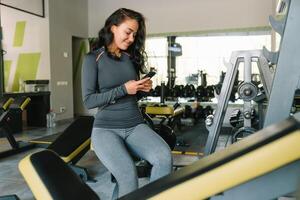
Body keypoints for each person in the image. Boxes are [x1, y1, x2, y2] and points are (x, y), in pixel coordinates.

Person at [81, 8, 173, 199]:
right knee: (127, 175)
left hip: (134, 124)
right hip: (106, 129)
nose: (132, 38)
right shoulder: (93, 59)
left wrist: (140, 89)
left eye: (135, 34)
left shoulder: (130, 59)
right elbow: (89, 101)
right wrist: (124, 89)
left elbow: (131, 95)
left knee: (164, 157)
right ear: (113, 28)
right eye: (128, 32)